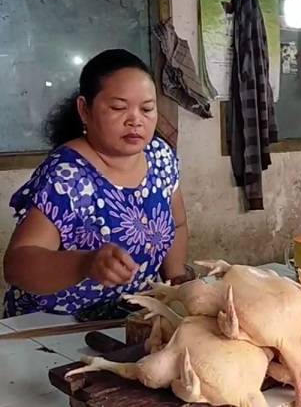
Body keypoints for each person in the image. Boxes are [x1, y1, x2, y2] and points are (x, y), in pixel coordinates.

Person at [2, 49, 189, 318]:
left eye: (147, 109)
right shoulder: (68, 176)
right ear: (84, 109)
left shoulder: (160, 156)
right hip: (54, 327)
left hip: (129, 318)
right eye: (118, 108)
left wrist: (177, 282)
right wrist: (86, 263)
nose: (135, 119)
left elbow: (178, 223)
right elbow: (18, 265)